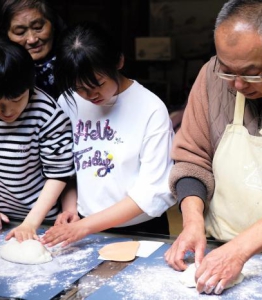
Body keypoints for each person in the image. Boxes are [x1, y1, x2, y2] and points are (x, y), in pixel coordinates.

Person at [164, 0, 262, 295]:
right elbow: (192, 158)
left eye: (251, 73)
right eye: (227, 71)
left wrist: (239, 251)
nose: (237, 85)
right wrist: (191, 221)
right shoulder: (211, 76)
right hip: (219, 246)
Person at [40, 22, 175, 247]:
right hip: (83, 229)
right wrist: (70, 208)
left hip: (140, 230)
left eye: (98, 84)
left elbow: (152, 192)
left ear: (119, 62)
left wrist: (85, 226)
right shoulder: (68, 102)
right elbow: (67, 167)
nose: (90, 95)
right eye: (80, 88)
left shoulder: (150, 108)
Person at [0, 36, 75, 241]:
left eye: (16, 100)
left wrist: (31, 222)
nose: (7, 112)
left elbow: (58, 174)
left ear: (30, 86)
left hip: (41, 220)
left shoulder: (47, 114)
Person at [0, 0, 65, 99]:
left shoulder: (75, 61)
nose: (32, 39)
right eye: (20, 32)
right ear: (7, 35)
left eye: (38, 27)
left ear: (52, 24)